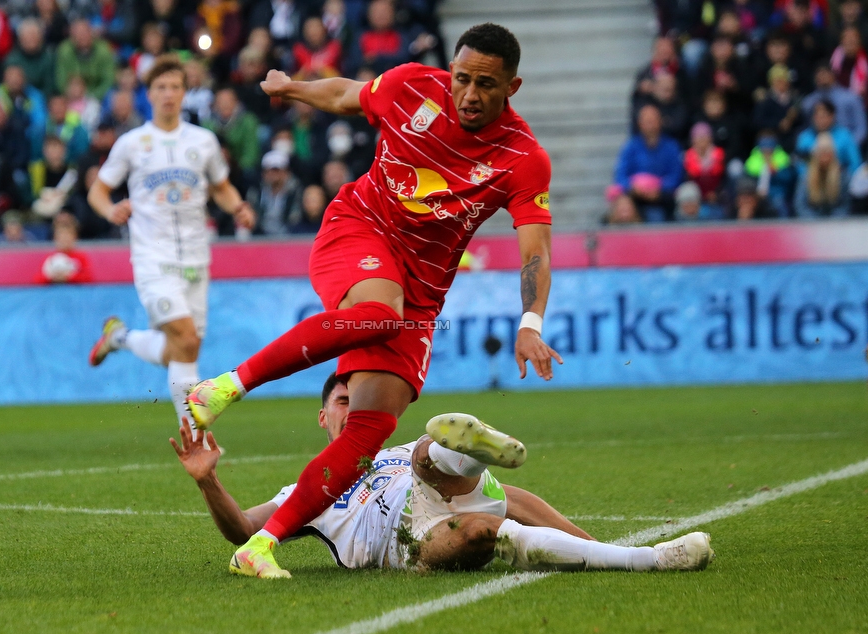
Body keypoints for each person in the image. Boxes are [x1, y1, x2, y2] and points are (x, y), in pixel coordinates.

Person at [185, 23, 560, 579]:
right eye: (462, 79)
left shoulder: (522, 157)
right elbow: (343, 93)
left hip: (423, 292)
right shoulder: (410, 85)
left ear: (513, 86)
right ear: (450, 72)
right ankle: (224, 386)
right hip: (358, 228)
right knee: (379, 312)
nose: (470, 94)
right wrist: (291, 89)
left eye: (486, 84)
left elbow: (536, 251)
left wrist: (531, 322)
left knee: (370, 427)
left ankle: (260, 546)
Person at [172, 375, 714, 575]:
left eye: (360, 400)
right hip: (408, 544)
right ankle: (468, 451)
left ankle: (466, 450)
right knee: (484, 532)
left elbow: (519, 495)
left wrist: (593, 546)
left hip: (432, 479)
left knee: (424, 451)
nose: (351, 407)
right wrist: (207, 481)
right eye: (342, 401)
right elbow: (247, 530)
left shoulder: (395, 447)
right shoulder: (303, 493)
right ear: (323, 416)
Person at [86, 54, 256, 432]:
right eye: (160, 87)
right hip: (152, 257)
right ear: (149, 94)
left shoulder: (203, 141)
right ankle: (194, 434)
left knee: (184, 347)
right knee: (185, 336)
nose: (168, 94)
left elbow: (221, 187)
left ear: (184, 92)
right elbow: (98, 190)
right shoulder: (133, 143)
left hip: (197, 256)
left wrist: (239, 207)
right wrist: (109, 210)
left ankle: (121, 337)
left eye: (175, 87)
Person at [613, 104, 682, 222]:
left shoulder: (671, 146)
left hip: (663, 196)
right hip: (636, 196)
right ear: (640, 124)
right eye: (647, 121)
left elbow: (676, 175)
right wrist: (634, 187)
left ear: (660, 122)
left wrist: (659, 188)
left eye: (653, 121)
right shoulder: (630, 147)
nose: (650, 125)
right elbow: (620, 175)